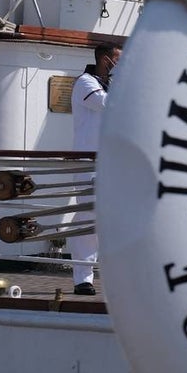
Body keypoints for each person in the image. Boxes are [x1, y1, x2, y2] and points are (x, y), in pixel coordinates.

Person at [70, 42, 122, 296]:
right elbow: (105, 104)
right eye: (117, 59)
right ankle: (83, 278)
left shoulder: (113, 86)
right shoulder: (85, 83)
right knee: (88, 220)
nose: (120, 63)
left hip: (113, 165)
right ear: (105, 59)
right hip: (90, 165)